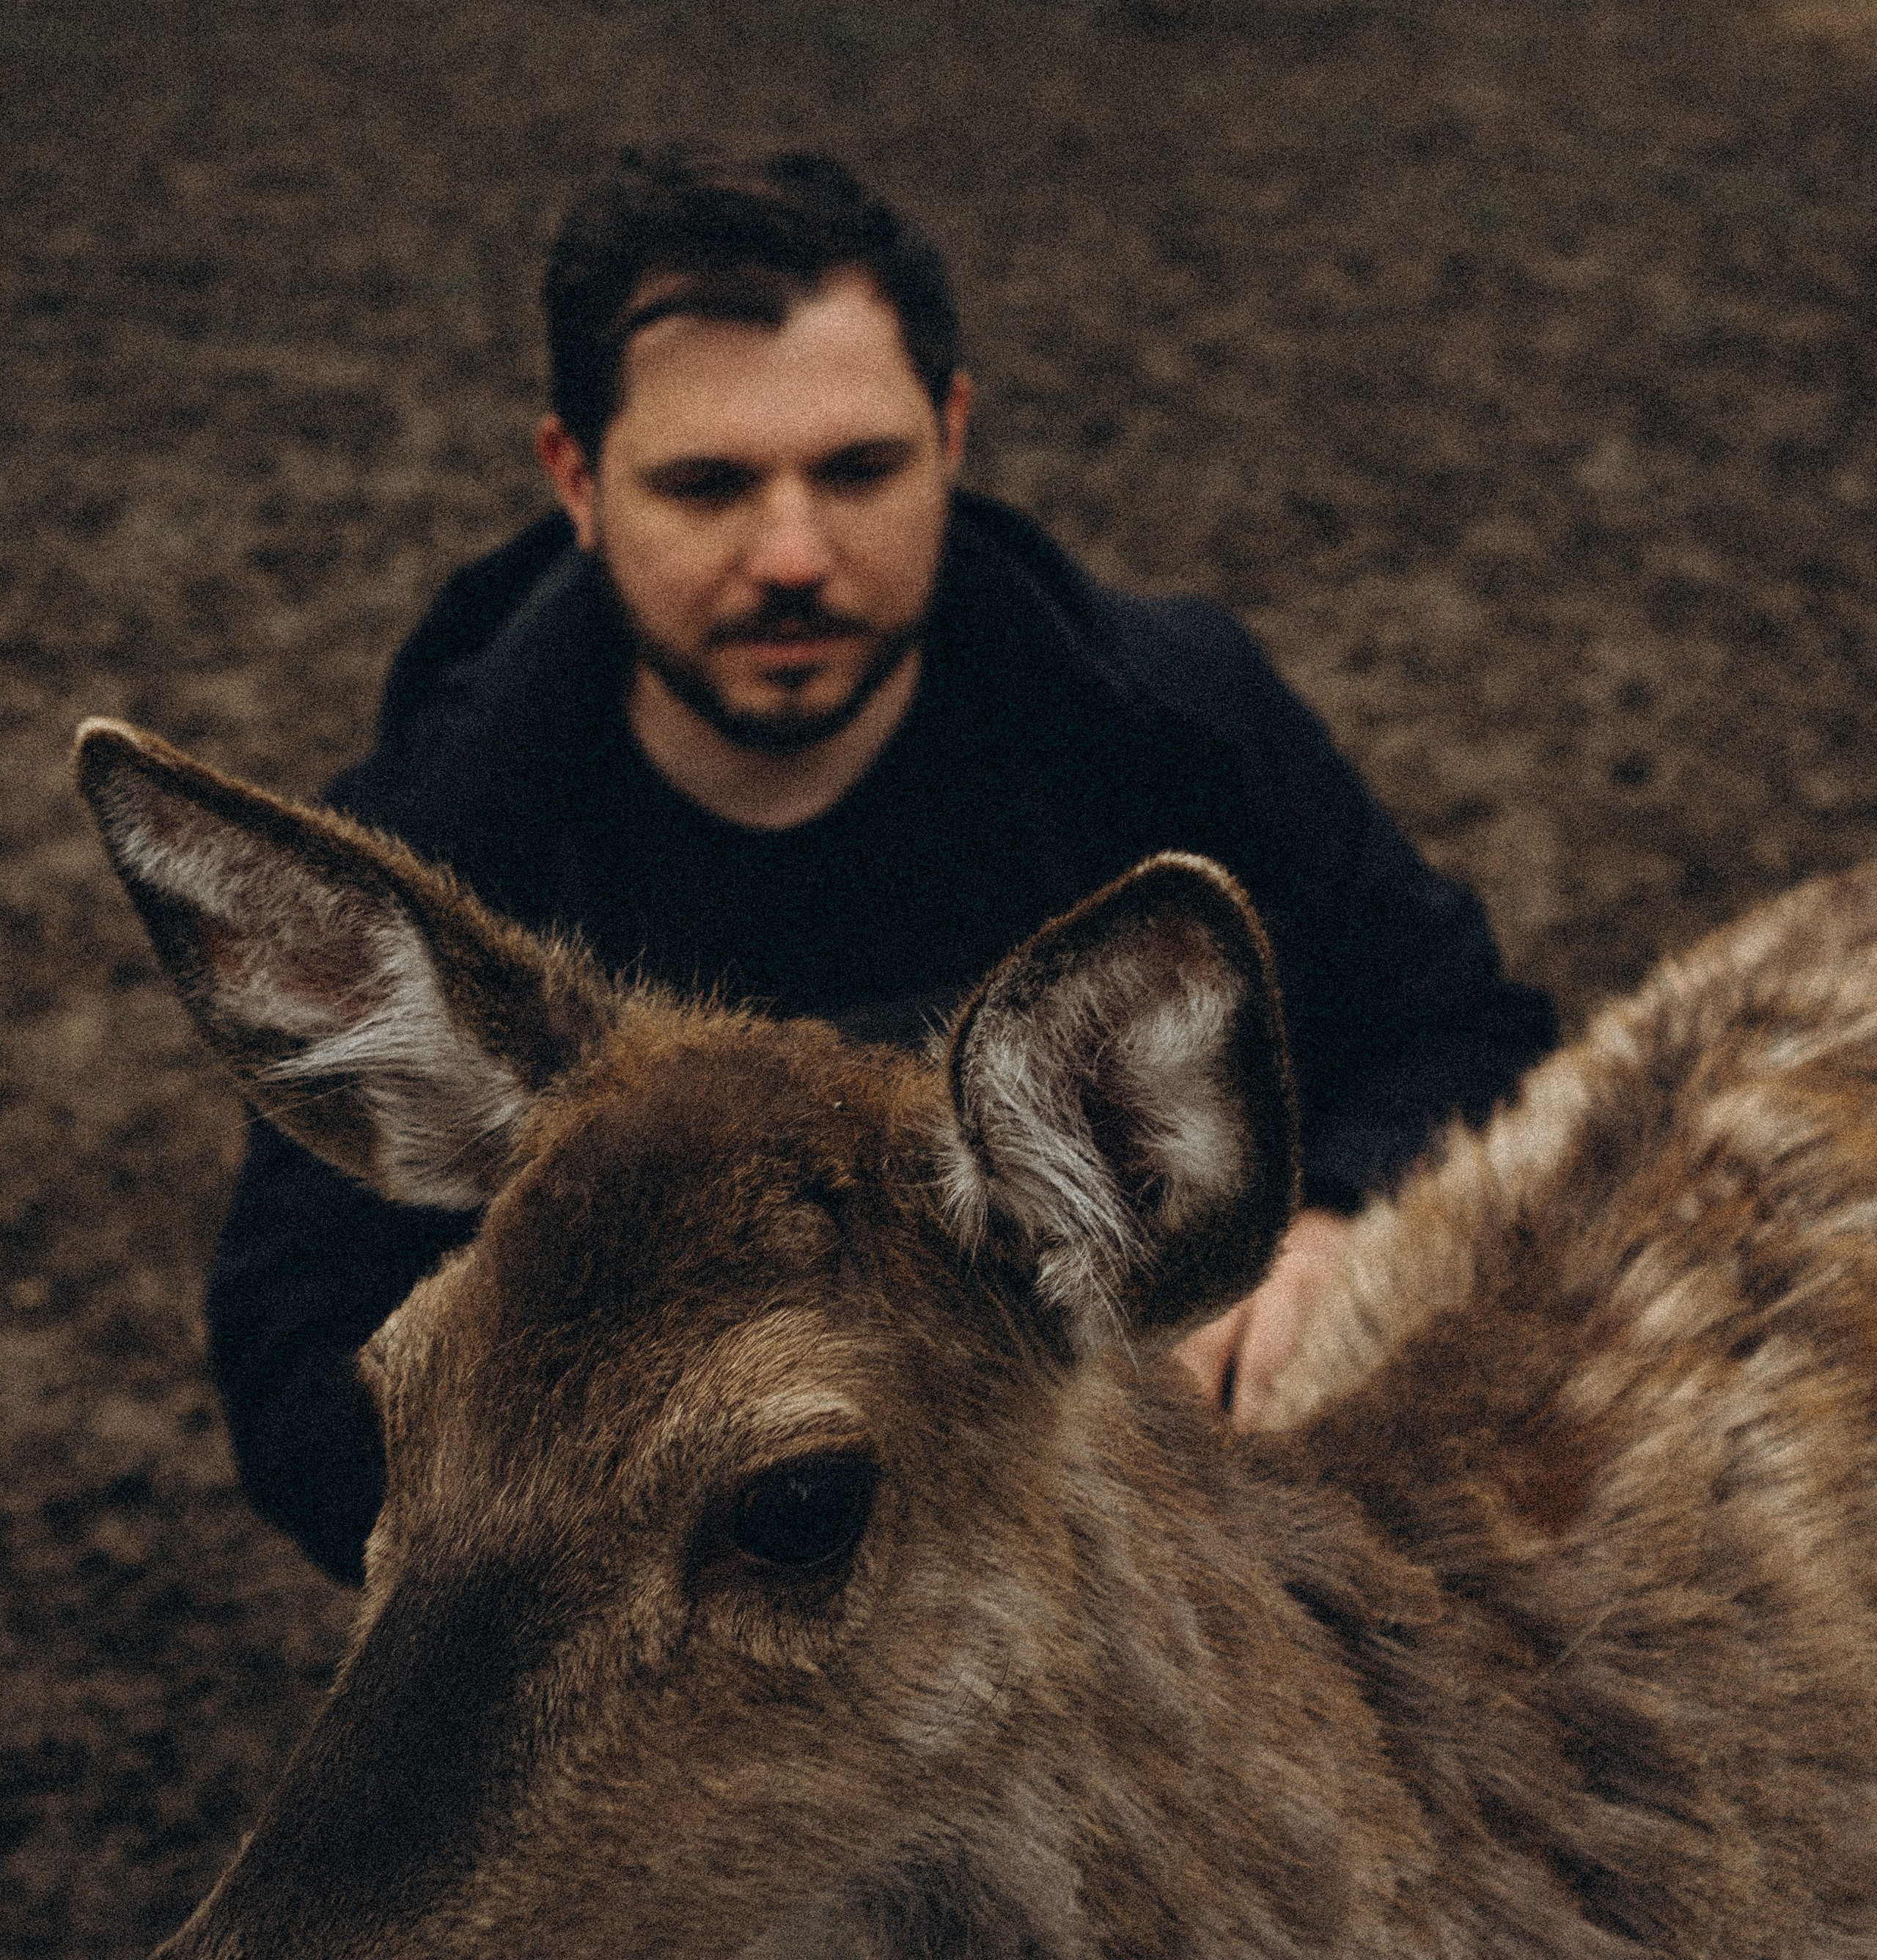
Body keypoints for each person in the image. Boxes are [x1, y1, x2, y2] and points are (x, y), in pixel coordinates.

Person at [207, 144, 1558, 1583]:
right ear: (576, 481)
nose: (792, 553)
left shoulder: (1175, 724)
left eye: (858, 470)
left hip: (1133, 1580)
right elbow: (296, 1358)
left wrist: (1329, 1227)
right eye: (707, 486)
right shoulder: (443, 840)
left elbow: (1467, 1035)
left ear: (952, 434)